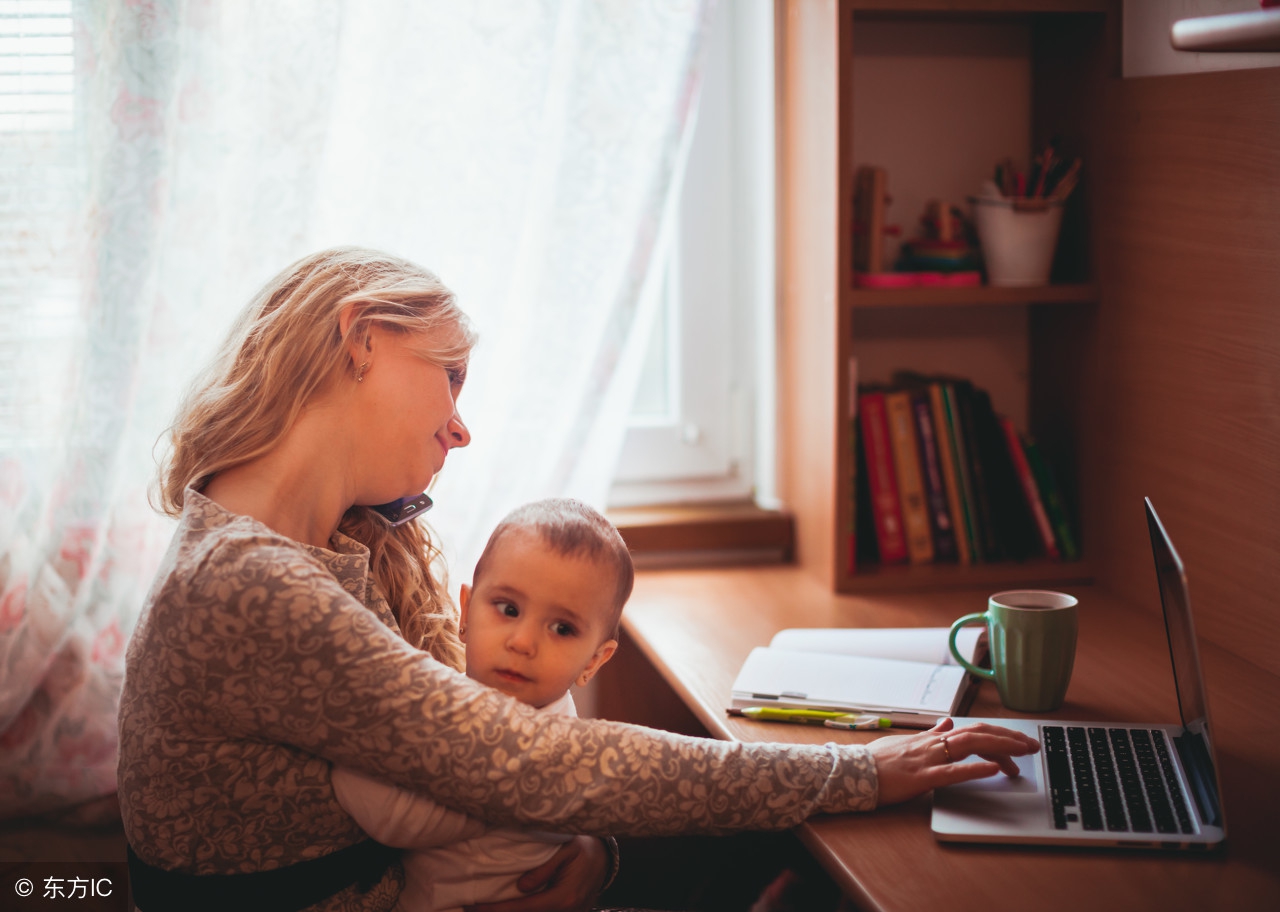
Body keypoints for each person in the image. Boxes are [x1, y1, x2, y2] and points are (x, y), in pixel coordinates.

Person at [117, 246, 1041, 912]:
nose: (460, 427)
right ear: (360, 338)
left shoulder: (315, 543)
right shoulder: (250, 585)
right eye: (451, 376)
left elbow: (500, 766)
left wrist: (592, 856)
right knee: (802, 858)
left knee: (781, 858)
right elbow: (527, 763)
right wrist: (855, 770)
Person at [331, 497, 632, 912]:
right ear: (466, 613)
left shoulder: (539, 743)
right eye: (509, 609)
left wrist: (342, 746)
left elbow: (394, 821)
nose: (522, 642)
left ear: (594, 660)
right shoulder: (459, 698)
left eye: (562, 628)